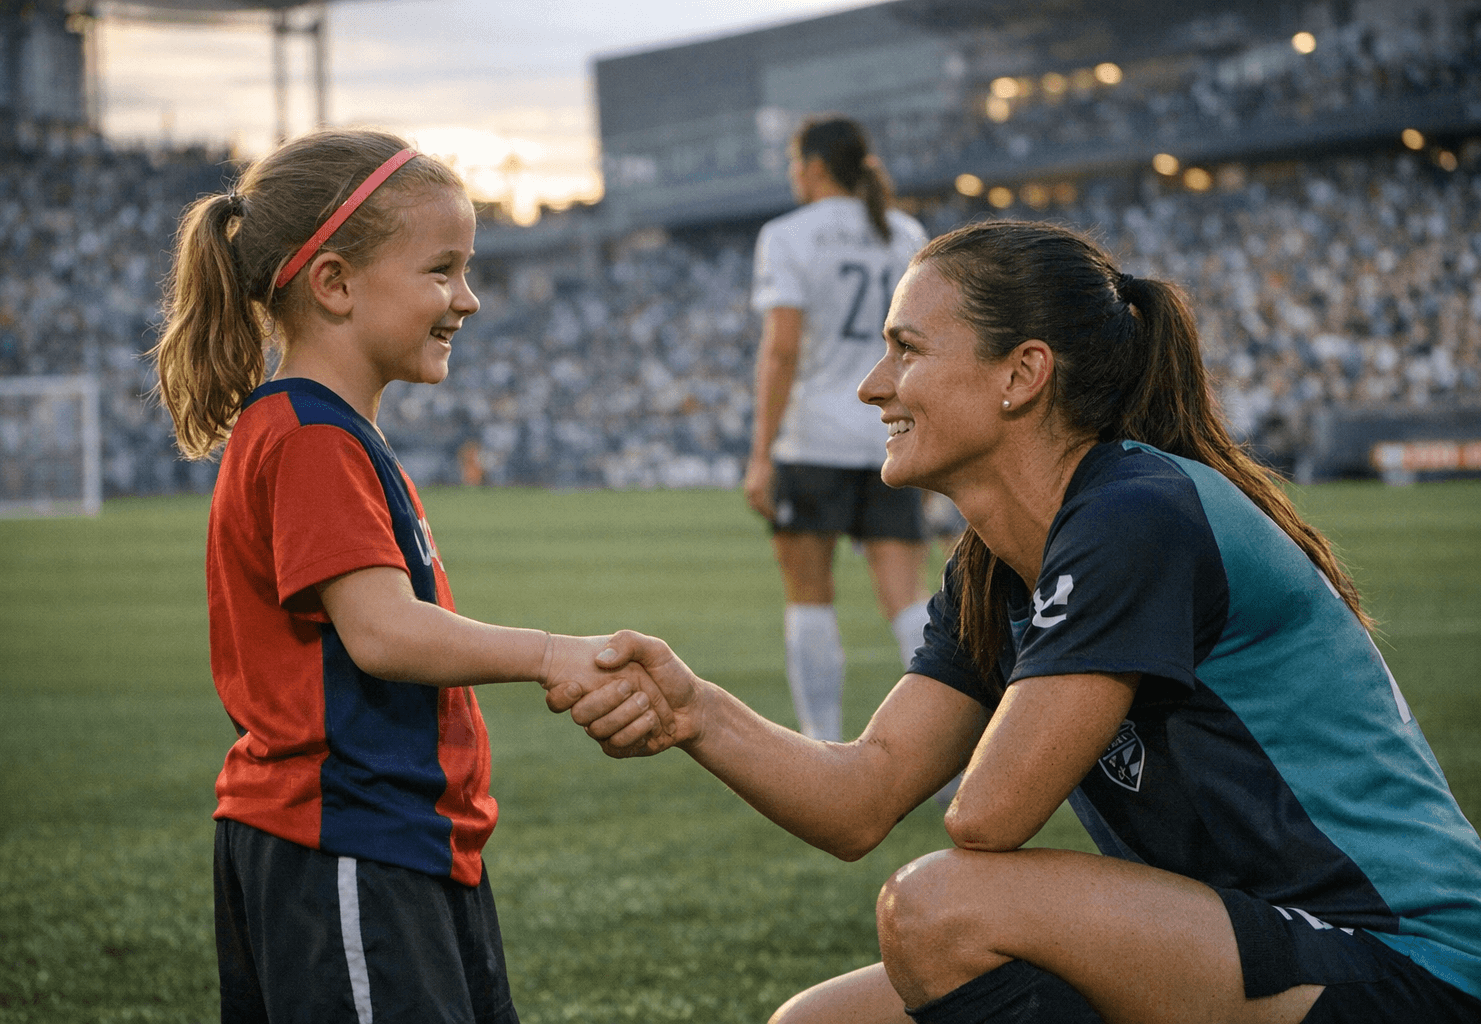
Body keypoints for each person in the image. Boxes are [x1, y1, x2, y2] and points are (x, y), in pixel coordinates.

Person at [569, 221, 1481, 1023]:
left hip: (1405, 962)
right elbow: (862, 798)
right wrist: (697, 713)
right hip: (1265, 941)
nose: (871, 386)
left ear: (1021, 374)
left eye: (907, 350)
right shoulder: (999, 562)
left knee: (942, 908)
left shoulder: (1135, 511)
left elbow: (988, 816)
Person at [150, 128, 661, 1023]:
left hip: (387, 840)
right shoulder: (311, 437)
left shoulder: (327, 431)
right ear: (336, 283)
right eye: (443, 270)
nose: (467, 297)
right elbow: (382, 633)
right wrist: (551, 653)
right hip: (344, 837)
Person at [744, 114, 933, 742]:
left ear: (816, 167)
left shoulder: (787, 235)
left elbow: (782, 350)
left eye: (796, 163)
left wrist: (760, 453)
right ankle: (943, 756)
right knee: (908, 602)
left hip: (814, 439)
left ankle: (821, 747)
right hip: (892, 429)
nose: (793, 175)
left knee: (809, 596)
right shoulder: (906, 233)